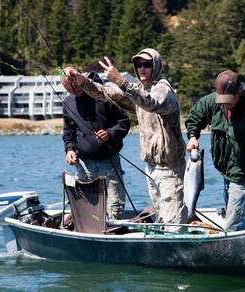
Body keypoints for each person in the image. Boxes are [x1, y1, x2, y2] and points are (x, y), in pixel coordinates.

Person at [66, 49, 188, 227]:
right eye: (139, 65)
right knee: (162, 218)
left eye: (147, 64)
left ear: (157, 66)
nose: (142, 69)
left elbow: (151, 103)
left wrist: (121, 81)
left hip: (170, 168)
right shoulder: (138, 90)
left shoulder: (163, 89)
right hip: (152, 167)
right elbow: (106, 93)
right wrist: (82, 80)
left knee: (173, 221)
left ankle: (179, 252)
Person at [186, 70, 245, 232]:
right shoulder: (213, 102)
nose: (226, 104)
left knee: (233, 227)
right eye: (222, 99)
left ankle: (231, 255)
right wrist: (193, 136)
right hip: (226, 175)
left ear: (239, 91)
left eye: (229, 100)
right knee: (244, 224)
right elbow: (195, 116)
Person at [61, 66, 130, 221]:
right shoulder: (68, 103)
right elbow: (68, 132)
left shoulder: (103, 95)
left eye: (76, 85)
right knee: (90, 213)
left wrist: (110, 133)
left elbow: (124, 122)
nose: (74, 89)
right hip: (83, 165)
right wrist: (70, 149)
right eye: (68, 88)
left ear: (80, 78)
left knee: (115, 209)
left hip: (109, 162)